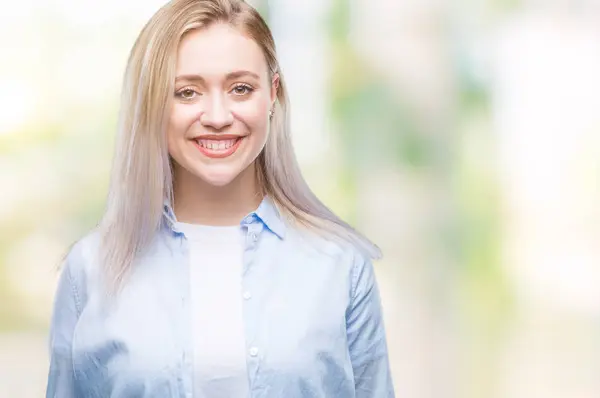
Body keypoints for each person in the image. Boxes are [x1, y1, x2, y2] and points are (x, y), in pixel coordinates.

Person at [46, 0, 395, 397]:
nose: (216, 115)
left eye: (241, 88)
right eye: (187, 92)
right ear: (153, 103)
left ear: (272, 95)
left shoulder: (340, 267)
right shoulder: (90, 269)